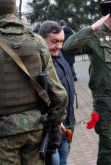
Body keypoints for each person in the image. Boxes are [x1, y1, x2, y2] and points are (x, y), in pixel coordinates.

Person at [0, 0, 67, 164]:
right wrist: (53, 128)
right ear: (13, 10)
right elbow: (59, 94)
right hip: (35, 132)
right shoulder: (37, 41)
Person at [63, 0, 111, 165]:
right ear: (106, 18)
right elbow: (68, 47)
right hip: (107, 103)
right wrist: (92, 28)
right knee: (108, 147)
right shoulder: (95, 37)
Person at [39, 21, 76, 165]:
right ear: (41, 39)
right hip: (49, 130)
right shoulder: (38, 61)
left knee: (63, 162)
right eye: (54, 42)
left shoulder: (60, 57)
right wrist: (54, 121)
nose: (59, 46)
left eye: (61, 41)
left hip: (65, 126)